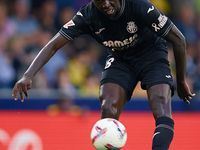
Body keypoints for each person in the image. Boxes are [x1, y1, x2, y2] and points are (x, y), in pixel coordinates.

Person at [12, 0, 195, 149]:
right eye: (100, 1)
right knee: (108, 108)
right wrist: (28, 75)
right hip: (120, 59)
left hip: (151, 54)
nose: (106, 4)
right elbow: (53, 44)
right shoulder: (87, 15)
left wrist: (180, 81)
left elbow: (179, 39)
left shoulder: (140, 6)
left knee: (161, 104)